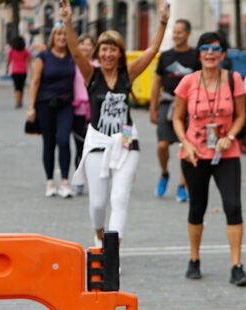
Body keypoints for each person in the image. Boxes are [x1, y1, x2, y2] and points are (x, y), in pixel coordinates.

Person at [62, 0, 169, 247]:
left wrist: (163, 20)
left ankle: (112, 253)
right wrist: (68, 22)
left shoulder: (127, 74)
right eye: (104, 49)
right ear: (98, 53)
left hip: (126, 139)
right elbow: (75, 51)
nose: (108, 54)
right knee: (98, 203)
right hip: (98, 139)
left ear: (120, 53)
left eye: (113, 49)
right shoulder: (91, 74)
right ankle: (99, 236)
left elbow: (152, 50)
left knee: (119, 199)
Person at [172, 32, 246, 286]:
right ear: (199, 54)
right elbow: (176, 118)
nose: (210, 53)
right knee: (197, 206)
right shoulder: (187, 82)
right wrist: (185, 143)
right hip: (194, 153)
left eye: (215, 49)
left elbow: (241, 116)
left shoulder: (233, 79)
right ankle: (194, 259)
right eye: (205, 48)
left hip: (226, 151)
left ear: (223, 54)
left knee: (233, 206)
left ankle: (236, 266)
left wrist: (230, 135)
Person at [150, 19, 199, 202]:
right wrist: (152, 106)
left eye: (180, 32)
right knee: (163, 144)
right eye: (174, 32)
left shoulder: (195, 56)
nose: (176, 35)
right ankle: (164, 174)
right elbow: (156, 82)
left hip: (189, 105)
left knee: (187, 146)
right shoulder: (165, 56)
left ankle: (182, 185)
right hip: (167, 102)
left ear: (188, 33)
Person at [26, 23, 76, 198]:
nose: (62, 38)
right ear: (53, 37)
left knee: (63, 140)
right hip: (45, 104)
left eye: (64, 35)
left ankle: (65, 181)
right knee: (49, 143)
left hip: (66, 103)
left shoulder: (72, 56)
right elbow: (35, 82)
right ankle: (49, 181)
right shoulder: (43, 56)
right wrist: (31, 106)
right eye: (58, 35)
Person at [71, 33, 96, 195]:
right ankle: (79, 180)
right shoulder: (72, 65)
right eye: (82, 44)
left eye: (89, 44)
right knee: (79, 148)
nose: (85, 47)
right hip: (76, 111)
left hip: (93, 112)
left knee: (92, 149)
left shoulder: (97, 65)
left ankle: (93, 179)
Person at [6, 36, 31, 109]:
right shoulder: (25, 51)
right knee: (21, 86)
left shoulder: (11, 51)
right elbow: (29, 61)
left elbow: (9, 60)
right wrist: (31, 70)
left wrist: (7, 68)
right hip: (23, 70)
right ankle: (20, 100)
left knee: (16, 87)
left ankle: (17, 101)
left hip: (15, 71)